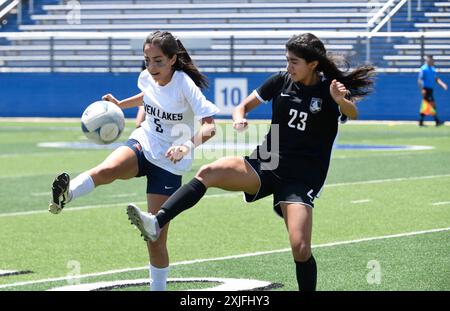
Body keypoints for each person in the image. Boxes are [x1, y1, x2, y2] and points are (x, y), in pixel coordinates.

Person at [126, 33, 375, 291]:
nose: (288, 67)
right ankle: (157, 222)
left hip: (301, 179)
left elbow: (352, 113)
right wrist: (239, 117)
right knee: (209, 171)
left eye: (294, 62)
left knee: (300, 248)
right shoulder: (281, 80)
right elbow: (242, 106)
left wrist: (340, 100)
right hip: (265, 162)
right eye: (287, 60)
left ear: (312, 64)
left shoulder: (329, 89)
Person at [48, 30, 219, 291]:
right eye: (147, 60)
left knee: (155, 237)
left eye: (158, 60)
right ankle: (66, 195)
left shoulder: (185, 84)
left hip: (169, 162)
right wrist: (120, 104)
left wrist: (186, 146)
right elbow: (147, 97)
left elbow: (210, 127)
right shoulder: (147, 77)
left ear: (173, 59)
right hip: (145, 140)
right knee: (109, 168)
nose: (151, 67)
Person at [418, 55, 448, 127]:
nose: (431, 61)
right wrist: (422, 89)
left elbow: (436, 79)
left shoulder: (433, 69)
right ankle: (436, 121)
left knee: (426, 105)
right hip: (426, 89)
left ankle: (421, 122)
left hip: (430, 90)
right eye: (429, 60)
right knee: (432, 105)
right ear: (427, 60)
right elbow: (420, 79)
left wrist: (443, 85)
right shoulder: (423, 69)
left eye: (432, 60)